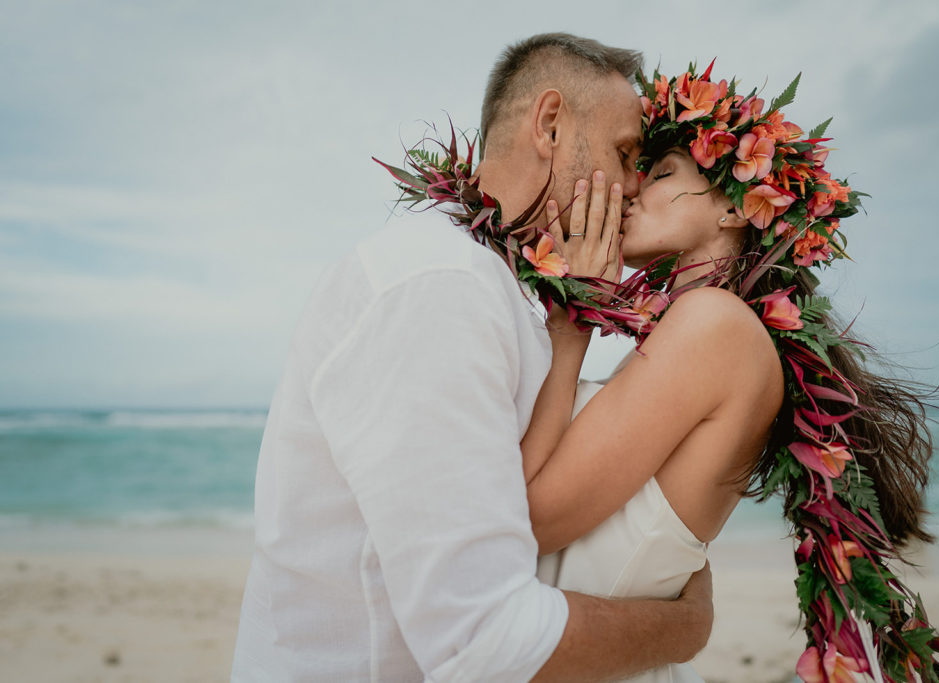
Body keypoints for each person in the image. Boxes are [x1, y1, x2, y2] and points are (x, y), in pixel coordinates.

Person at [231, 34, 715, 683]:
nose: (633, 185)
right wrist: (683, 629)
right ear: (549, 125)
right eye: (625, 153)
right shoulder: (441, 285)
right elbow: (483, 641)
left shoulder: (502, 290)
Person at [517, 63, 939, 681]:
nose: (634, 188)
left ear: (735, 207)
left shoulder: (713, 325)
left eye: (663, 171)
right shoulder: (708, 335)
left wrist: (570, 327)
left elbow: (529, 523)